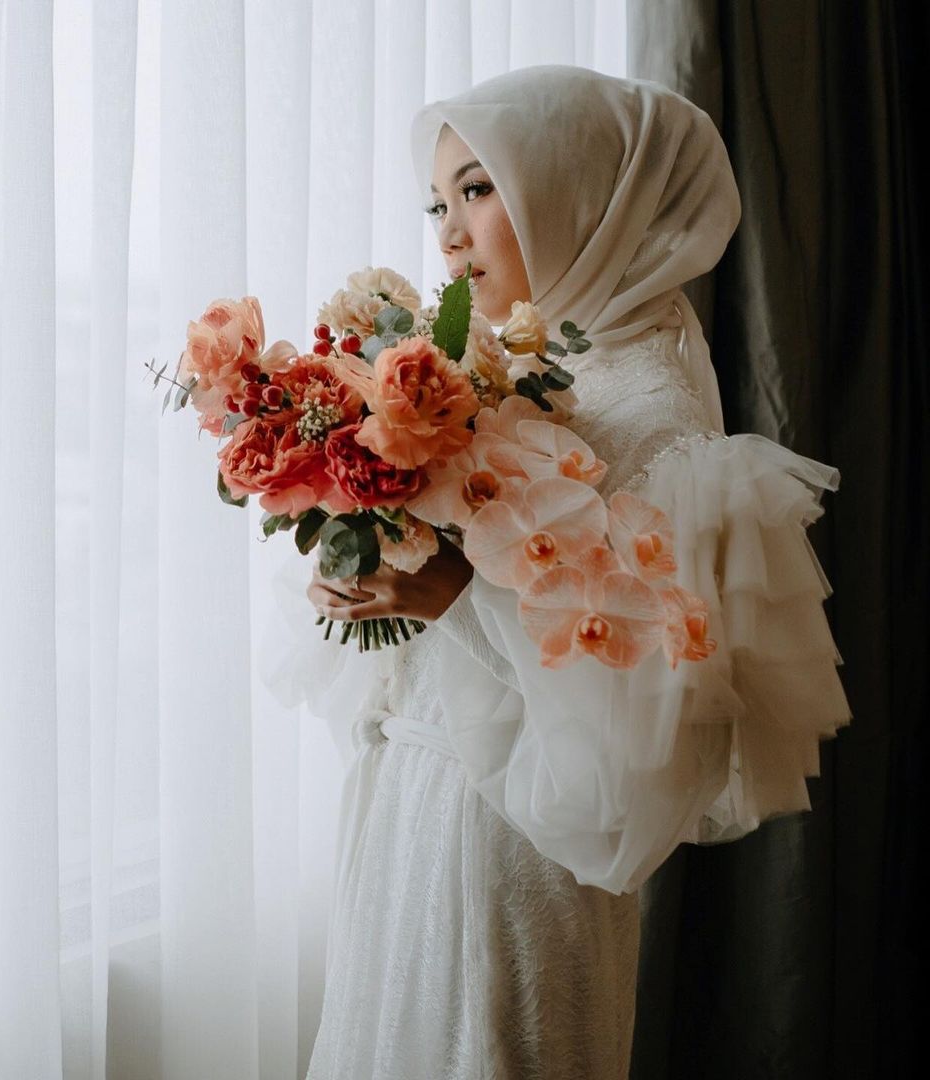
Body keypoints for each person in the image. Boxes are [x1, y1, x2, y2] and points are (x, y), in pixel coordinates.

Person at [262, 64, 853, 1080]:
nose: (449, 231)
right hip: (419, 801)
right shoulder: (505, 369)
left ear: (579, 194)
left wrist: (459, 595)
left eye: (481, 189)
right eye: (438, 201)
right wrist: (373, 553)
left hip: (521, 851)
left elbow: (645, 725)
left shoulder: (657, 406)